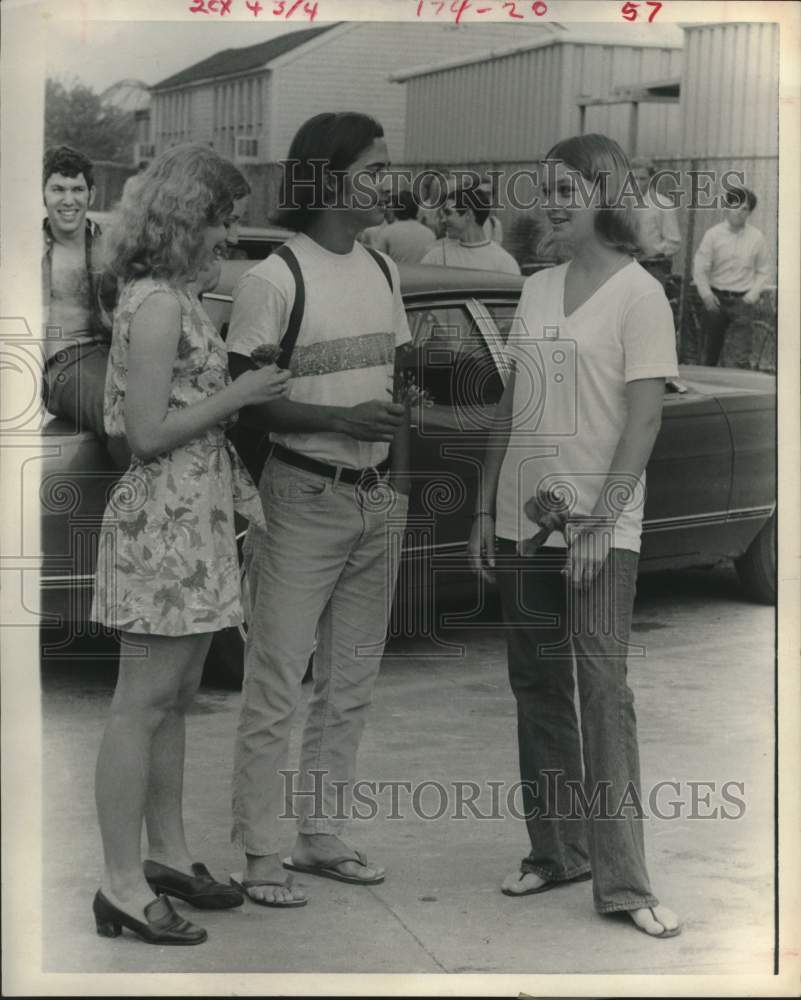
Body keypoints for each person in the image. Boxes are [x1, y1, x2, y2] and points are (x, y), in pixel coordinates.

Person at [469, 133, 681, 939]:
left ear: (604, 194)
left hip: (601, 528)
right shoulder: (535, 288)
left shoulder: (639, 295)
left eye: (567, 189)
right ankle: (555, 851)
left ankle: (624, 880)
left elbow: (645, 416)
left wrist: (601, 518)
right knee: (535, 687)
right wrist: (485, 503)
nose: (551, 203)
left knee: (603, 695)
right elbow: (513, 403)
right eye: (544, 189)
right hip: (525, 521)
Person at [90, 145, 290, 946]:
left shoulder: (175, 294)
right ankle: (119, 883)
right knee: (139, 704)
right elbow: (142, 433)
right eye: (221, 217)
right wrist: (239, 393)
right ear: (185, 217)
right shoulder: (160, 305)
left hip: (191, 516)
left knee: (174, 699)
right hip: (161, 521)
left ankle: (166, 855)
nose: (229, 233)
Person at [226, 111, 411, 907]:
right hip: (301, 498)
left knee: (350, 683)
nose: (386, 182)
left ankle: (320, 835)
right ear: (330, 178)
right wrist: (339, 422)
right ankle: (262, 854)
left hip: (375, 501)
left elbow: (393, 379)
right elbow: (246, 408)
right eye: (374, 168)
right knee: (276, 682)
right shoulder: (274, 278)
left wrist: (396, 445)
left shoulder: (382, 268)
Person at [41, 146, 129, 467]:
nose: (68, 200)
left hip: (113, 356)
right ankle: (139, 506)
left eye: (77, 189)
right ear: (44, 195)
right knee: (122, 409)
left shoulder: (109, 245)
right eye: (58, 190)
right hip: (64, 365)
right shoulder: (31, 249)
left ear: (91, 194)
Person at [693, 186, 770, 367]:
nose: (739, 212)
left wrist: (751, 296)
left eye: (744, 209)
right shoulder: (713, 235)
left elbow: (764, 271)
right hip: (715, 301)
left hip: (742, 303)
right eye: (735, 206)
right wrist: (706, 295)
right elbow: (700, 268)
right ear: (727, 207)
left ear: (750, 212)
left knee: (738, 358)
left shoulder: (757, 238)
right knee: (709, 356)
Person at [421, 181, 520, 275]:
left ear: (468, 214)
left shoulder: (504, 263)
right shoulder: (435, 258)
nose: (443, 220)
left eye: (448, 213)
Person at [629, 155, 681, 284]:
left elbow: (674, 243)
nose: (637, 183)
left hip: (653, 267)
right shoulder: (622, 203)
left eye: (642, 179)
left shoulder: (663, 204)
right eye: (634, 178)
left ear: (651, 179)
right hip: (626, 265)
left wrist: (652, 251)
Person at [374, 189, 435, 263]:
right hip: (423, 273)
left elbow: (379, 262)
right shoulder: (430, 234)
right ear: (416, 208)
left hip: (398, 273)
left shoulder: (387, 232)